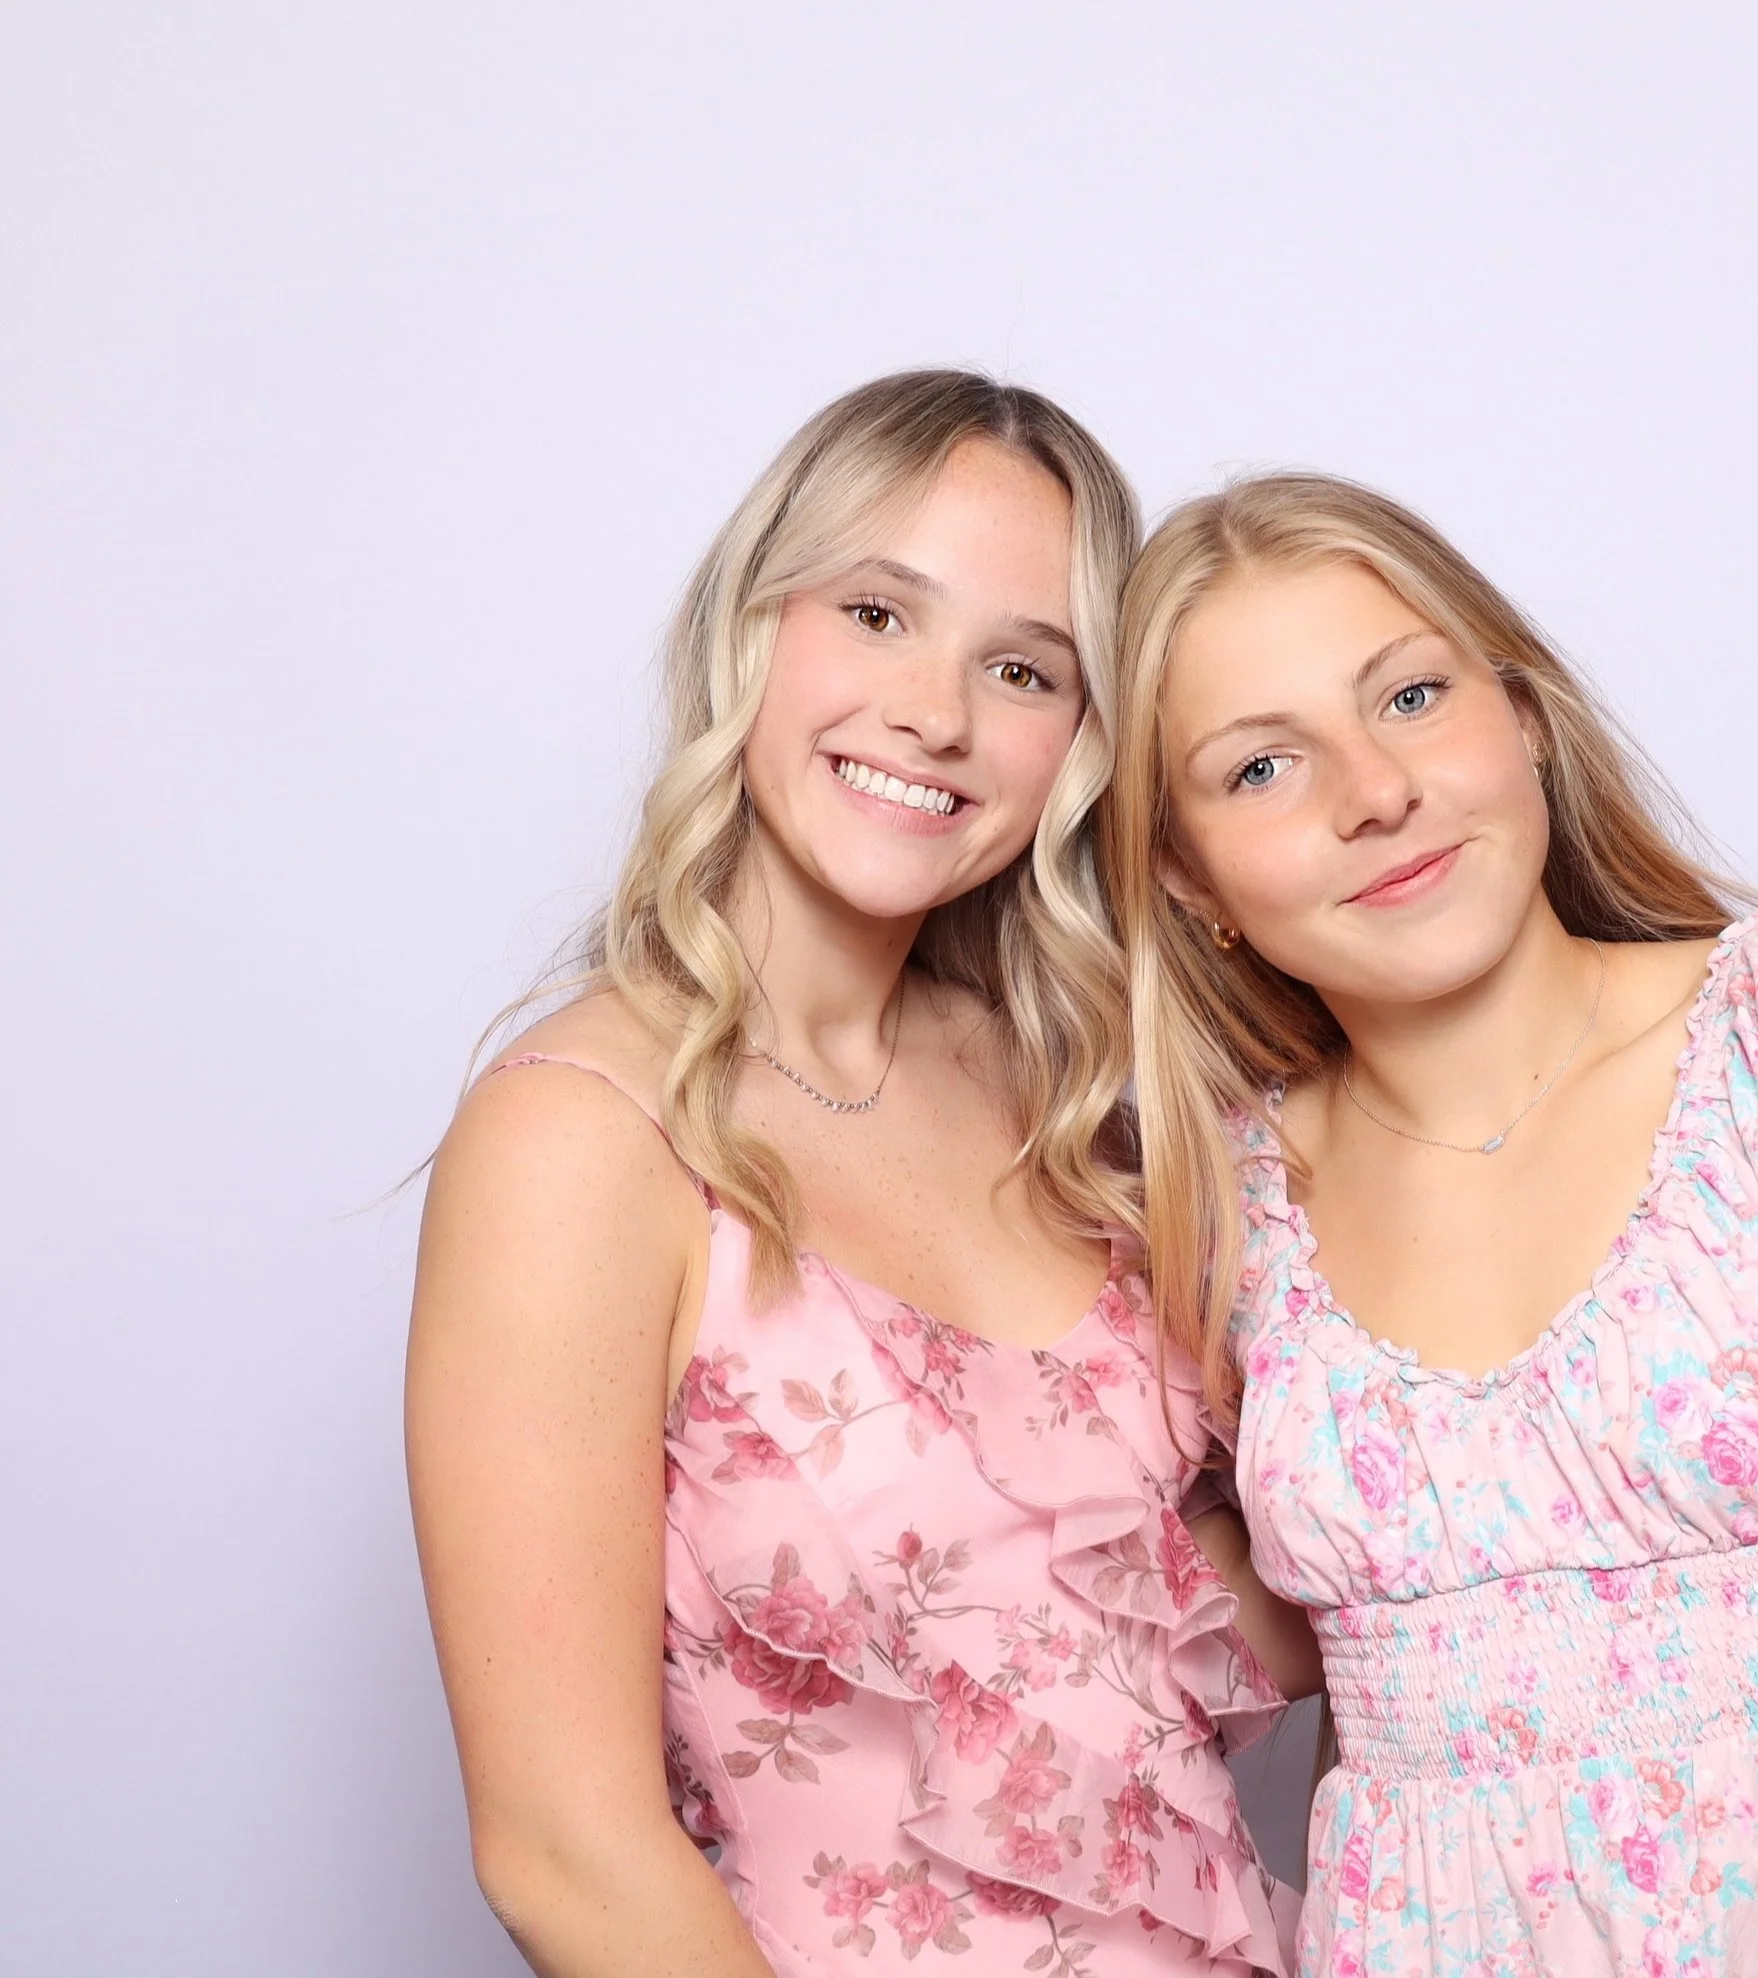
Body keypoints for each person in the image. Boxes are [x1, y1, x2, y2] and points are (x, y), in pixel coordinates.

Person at [1101, 473, 1758, 1975]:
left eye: (1411, 696)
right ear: (1190, 878)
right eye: (1262, 766)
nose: (1373, 791)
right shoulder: (1215, 1208)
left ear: (1522, 714)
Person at [406, 373, 1312, 1978]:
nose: (936, 713)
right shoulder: (583, 1136)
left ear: (1080, 744)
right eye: (880, 614)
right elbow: (563, 1852)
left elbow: (1163, 1643)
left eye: (1023, 668)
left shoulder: (1071, 1104)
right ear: (753, 627)